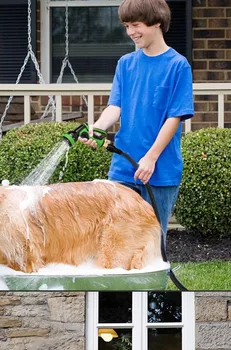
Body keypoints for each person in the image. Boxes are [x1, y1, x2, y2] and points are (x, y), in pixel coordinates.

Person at [80, 0, 194, 237]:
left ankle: (154, 276)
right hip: (123, 168)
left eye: (135, 25)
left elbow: (174, 118)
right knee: (117, 237)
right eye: (126, 26)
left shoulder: (177, 66)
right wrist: (99, 126)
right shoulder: (126, 64)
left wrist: (151, 158)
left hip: (160, 171)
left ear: (157, 22)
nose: (130, 32)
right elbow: (115, 105)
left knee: (152, 241)